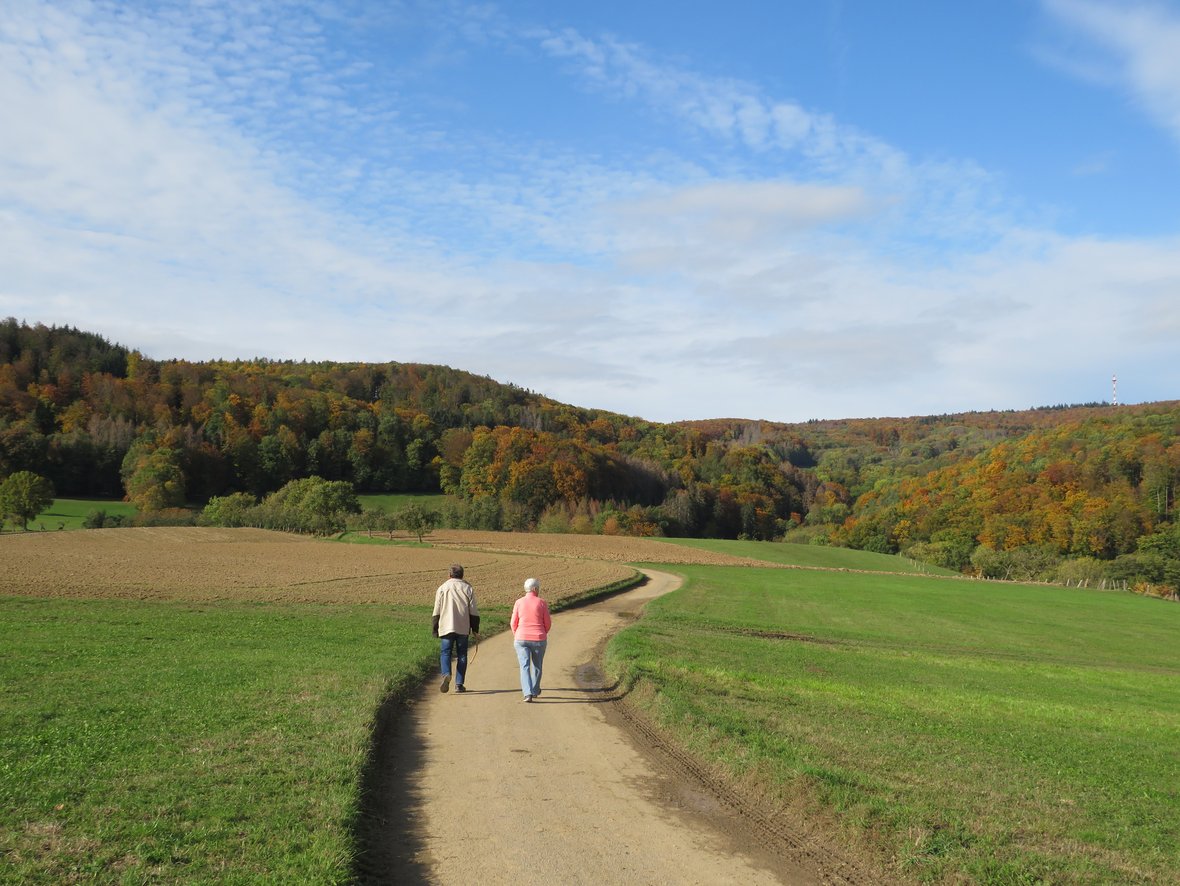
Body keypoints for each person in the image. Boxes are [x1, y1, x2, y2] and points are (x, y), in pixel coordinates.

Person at [432, 564, 480, 694]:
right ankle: (459, 684)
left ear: (449, 575)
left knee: (445, 652)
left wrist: (435, 628)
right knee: (462, 655)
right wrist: (475, 629)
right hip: (462, 627)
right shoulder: (468, 588)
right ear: (462, 575)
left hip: (446, 626)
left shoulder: (442, 588)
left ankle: (446, 674)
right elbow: (473, 611)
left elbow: (436, 610)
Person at [511, 577, 552, 702]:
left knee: (524, 666)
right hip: (539, 638)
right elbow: (548, 623)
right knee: (537, 666)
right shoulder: (542, 603)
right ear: (534, 589)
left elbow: (513, 622)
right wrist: (542, 633)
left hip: (521, 638)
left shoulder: (518, 602)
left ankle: (527, 693)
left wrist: (517, 634)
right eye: (538, 588)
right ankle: (534, 690)